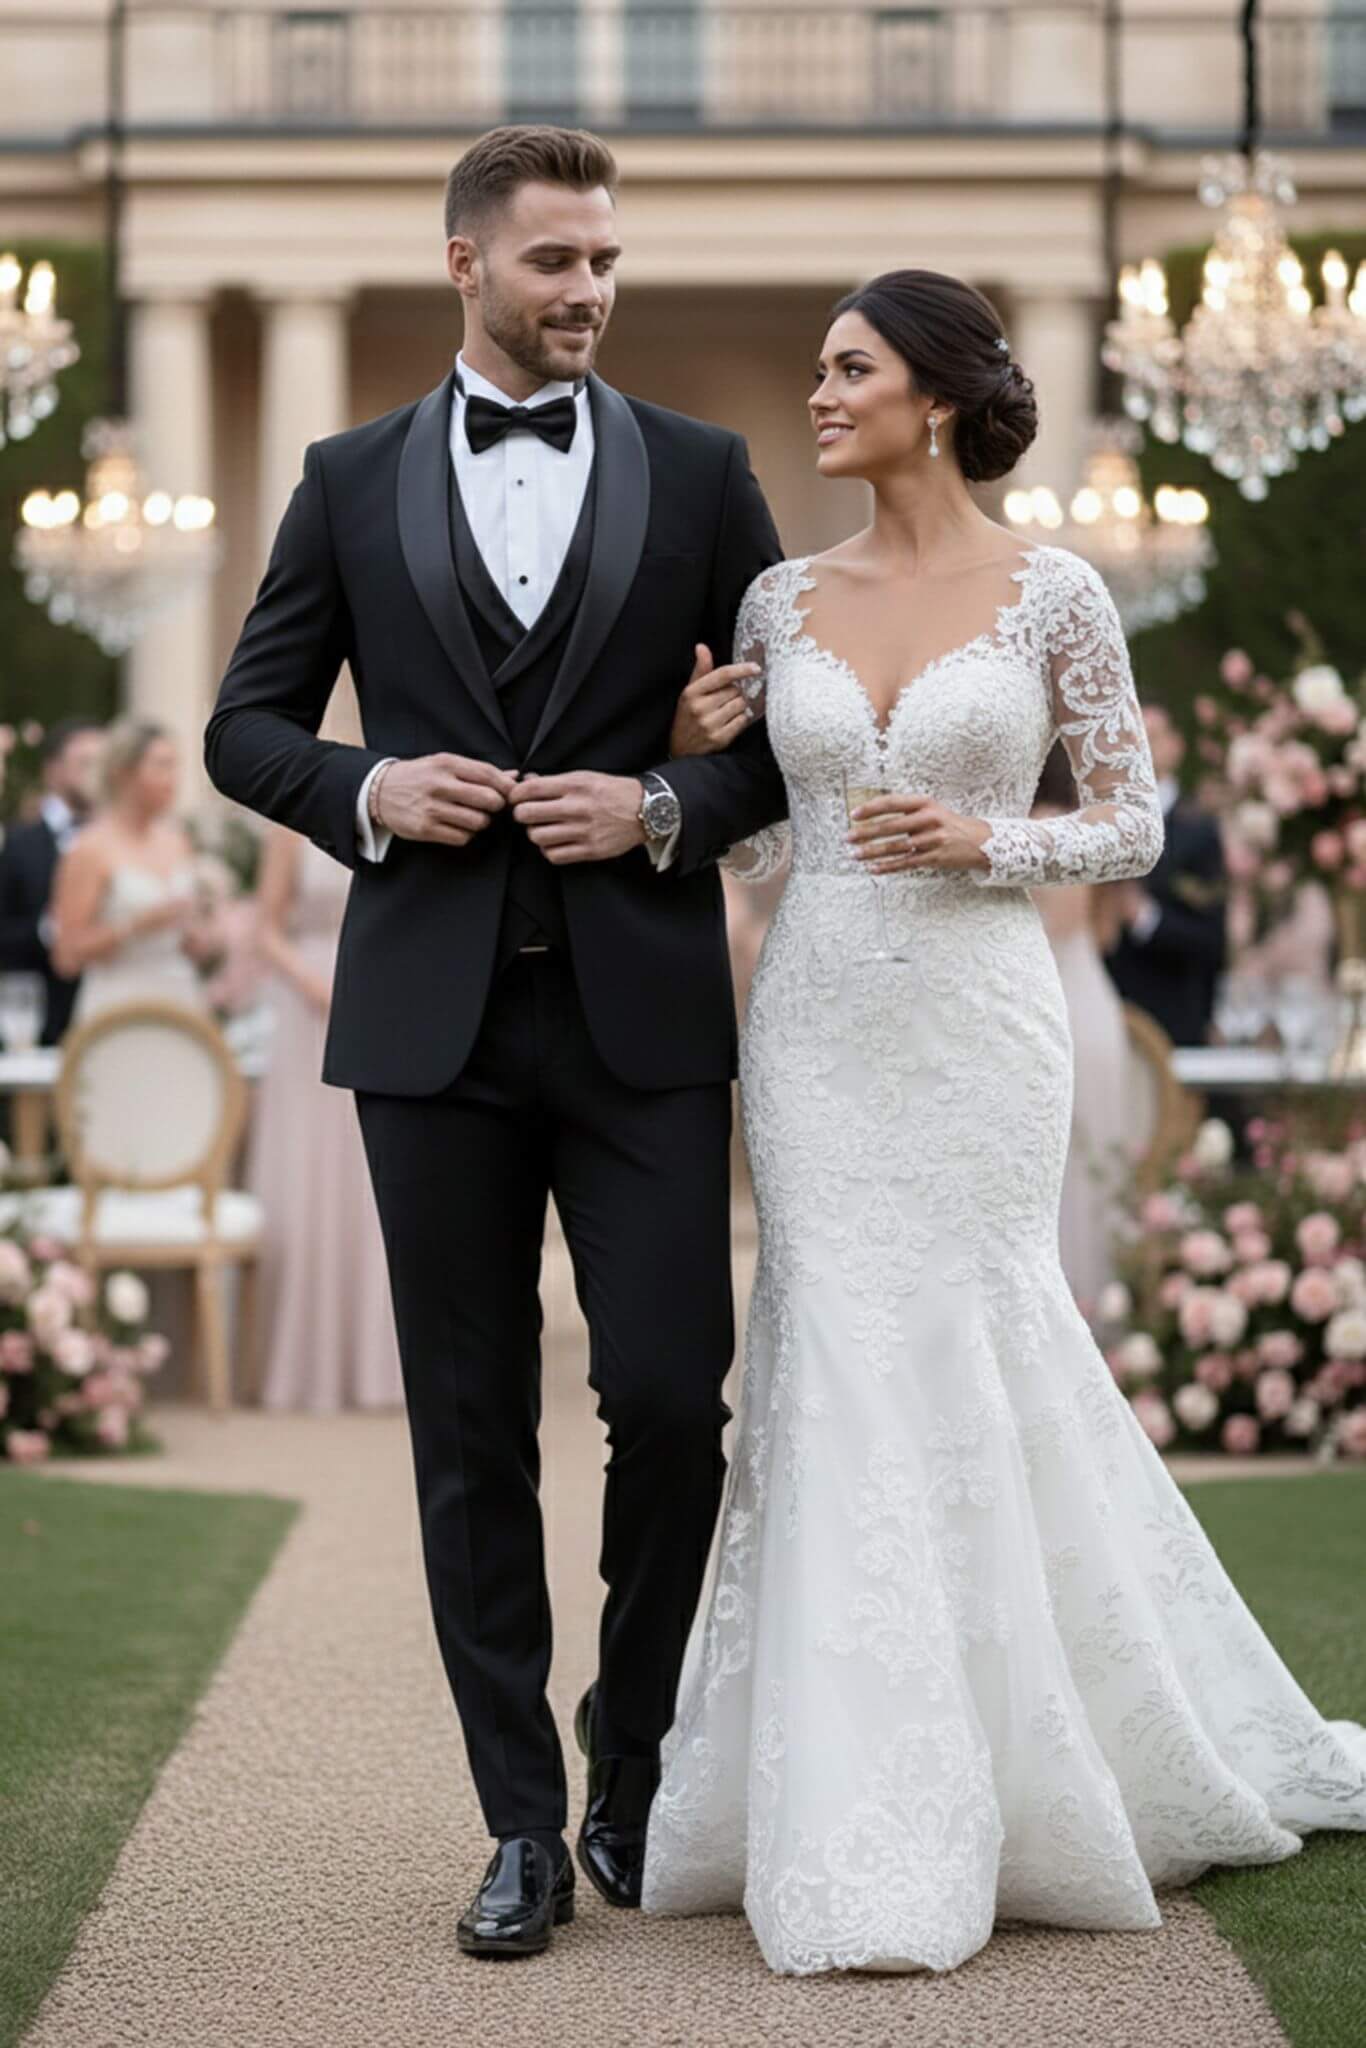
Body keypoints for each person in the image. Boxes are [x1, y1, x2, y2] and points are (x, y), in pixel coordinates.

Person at [642, 270, 1366, 1975]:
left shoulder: (1056, 593)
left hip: (978, 1025)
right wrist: (698, 755)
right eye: (817, 368)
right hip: (816, 1022)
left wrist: (993, 848)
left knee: (977, 1340)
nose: (819, 396)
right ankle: (838, 1789)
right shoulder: (775, 597)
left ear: (940, 395)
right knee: (829, 1345)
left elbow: (1131, 819)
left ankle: (1039, 1761)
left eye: (849, 369)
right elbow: (762, 856)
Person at [204, 125, 786, 1957]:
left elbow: (787, 742)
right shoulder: (347, 476)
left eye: (606, 260)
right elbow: (245, 726)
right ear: (467, 262)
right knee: (468, 1433)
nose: (591, 292)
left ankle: (631, 1748)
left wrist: (668, 808)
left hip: (643, 1022)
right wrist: (369, 783)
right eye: (556, 263)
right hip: (426, 1022)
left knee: (673, 1402)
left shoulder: (704, 474)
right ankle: (522, 1821)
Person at [244, 683, 404, 1412]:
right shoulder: (289, 828)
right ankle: (299, 1367)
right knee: (306, 1182)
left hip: (378, 994)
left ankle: (378, 1366)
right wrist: (311, 982)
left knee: (372, 1187)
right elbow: (264, 927)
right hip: (306, 1006)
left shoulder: (405, 814)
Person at [1030, 744, 1138, 1317]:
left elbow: (1066, 920)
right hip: (1091, 1001)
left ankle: (1074, 1310)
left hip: (1062, 1006)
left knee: (1072, 1171)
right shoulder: (1090, 826)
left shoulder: (1049, 827)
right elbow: (1109, 931)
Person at [51, 719, 216, 1024]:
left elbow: (193, 937)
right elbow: (67, 956)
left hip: (180, 1001)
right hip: (117, 1006)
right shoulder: (89, 848)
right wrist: (135, 927)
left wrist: (198, 936)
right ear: (123, 773)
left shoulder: (177, 841)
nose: (173, 780)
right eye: (162, 767)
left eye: (175, 767)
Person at [1105, 702, 1226, 1046]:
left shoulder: (1200, 831)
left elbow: (1212, 940)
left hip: (1173, 1018)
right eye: (1133, 737)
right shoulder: (1101, 818)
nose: (1142, 746)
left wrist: (1145, 917)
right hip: (1107, 1007)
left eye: (1153, 736)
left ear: (1176, 745)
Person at [0, 718, 104, 1042]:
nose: (97, 773)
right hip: (38, 1023)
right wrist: (46, 930)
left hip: (111, 1014)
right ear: (53, 770)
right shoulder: (16, 844)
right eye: (85, 763)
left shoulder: (123, 843)